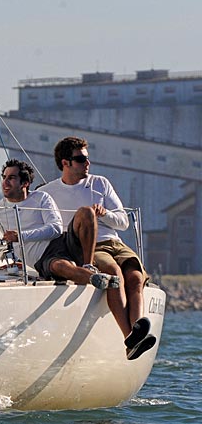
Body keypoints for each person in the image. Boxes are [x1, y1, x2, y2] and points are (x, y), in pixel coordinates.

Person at [40, 136, 155, 360]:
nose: (87, 164)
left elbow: (123, 222)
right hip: (88, 246)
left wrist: (106, 214)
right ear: (65, 163)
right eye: (81, 159)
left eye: (87, 159)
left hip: (115, 242)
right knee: (113, 273)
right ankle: (129, 339)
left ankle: (138, 332)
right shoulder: (49, 192)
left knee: (134, 275)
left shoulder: (100, 183)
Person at [0, 159, 115, 290]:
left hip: (62, 242)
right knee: (61, 266)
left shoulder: (41, 197)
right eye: (4, 177)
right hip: (43, 257)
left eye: (12, 178)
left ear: (25, 183)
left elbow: (56, 228)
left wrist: (20, 236)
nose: (5, 182)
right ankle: (96, 278)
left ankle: (87, 265)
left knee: (86, 212)